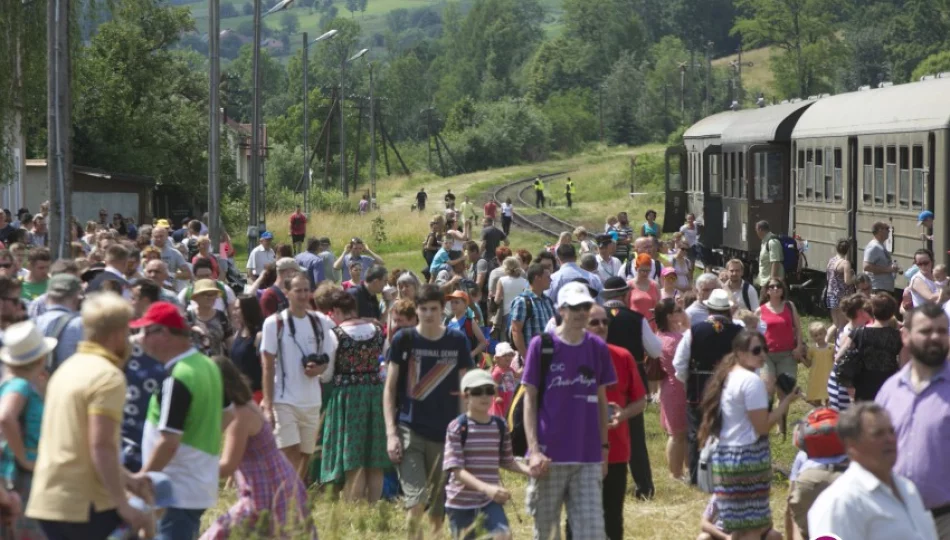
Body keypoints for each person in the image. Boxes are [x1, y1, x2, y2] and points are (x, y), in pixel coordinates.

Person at [25, 293, 152, 539]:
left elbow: (78, 441)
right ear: (116, 335)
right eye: (127, 332)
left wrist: (128, 479)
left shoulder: (66, 369)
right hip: (85, 505)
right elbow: (100, 446)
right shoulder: (108, 377)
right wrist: (123, 504)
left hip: (47, 499)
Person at [520, 282, 614, 540]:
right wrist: (535, 450)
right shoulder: (542, 346)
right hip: (549, 458)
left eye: (585, 306)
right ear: (561, 310)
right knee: (547, 533)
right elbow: (529, 400)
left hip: (587, 457)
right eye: (575, 307)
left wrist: (604, 449)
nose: (582, 313)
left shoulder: (597, 348)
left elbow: (602, 400)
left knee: (592, 533)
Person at [383, 285, 473, 540]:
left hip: (446, 433)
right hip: (409, 430)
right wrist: (391, 433)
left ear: (441, 309)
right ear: (417, 310)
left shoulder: (457, 341)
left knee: (437, 505)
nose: (429, 314)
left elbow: (465, 389)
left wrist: (464, 431)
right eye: (424, 309)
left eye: (434, 309)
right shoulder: (405, 339)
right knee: (415, 500)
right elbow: (389, 389)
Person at [132, 301, 226, 540]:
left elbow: (169, 442)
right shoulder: (207, 365)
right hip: (198, 483)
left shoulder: (177, 376)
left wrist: (141, 480)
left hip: (176, 489)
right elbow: (229, 414)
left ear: (163, 333)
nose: (139, 338)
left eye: (145, 331)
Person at [698, 330, 800, 539]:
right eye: (756, 350)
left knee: (739, 526)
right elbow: (762, 427)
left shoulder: (729, 377)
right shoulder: (751, 381)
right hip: (749, 457)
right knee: (753, 529)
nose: (763, 354)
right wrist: (785, 403)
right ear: (739, 353)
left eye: (765, 349)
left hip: (728, 456)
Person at [201, 356, 314, 539]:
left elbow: (228, 465)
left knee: (216, 534)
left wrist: (188, 471)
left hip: (265, 492)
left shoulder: (239, 415)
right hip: (278, 483)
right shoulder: (246, 404)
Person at [808, 402, 939, 540]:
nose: (890, 439)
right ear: (852, 445)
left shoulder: (908, 489)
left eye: (891, 431)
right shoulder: (841, 502)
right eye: (878, 434)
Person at [877, 303, 950, 537]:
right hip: (895, 518)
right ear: (906, 336)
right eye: (926, 331)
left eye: (942, 330)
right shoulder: (890, 390)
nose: (935, 337)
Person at [577, 303, 647, 540]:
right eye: (594, 322)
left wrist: (623, 415)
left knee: (613, 517)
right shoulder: (570, 358)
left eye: (605, 322)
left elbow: (641, 401)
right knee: (580, 518)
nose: (601, 326)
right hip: (579, 451)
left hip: (616, 449)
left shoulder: (622, 356)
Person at [260, 273, 338, 478]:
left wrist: (317, 370)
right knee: (289, 450)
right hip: (284, 399)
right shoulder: (274, 323)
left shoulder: (320, 321)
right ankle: (286, 497)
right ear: (287, 294)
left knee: (306, 455)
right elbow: (267, 365)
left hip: (312, 400)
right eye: (298, 290)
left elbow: (327, 359)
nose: (303, 295)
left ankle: (295, 496)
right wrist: (268, 406)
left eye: (306, 290)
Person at [442, 369, 532, 540]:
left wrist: (530, 470)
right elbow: (457, 471)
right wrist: (487, 488)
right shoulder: (457, 427)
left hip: (489, 501)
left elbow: (508, 461)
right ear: (465, 396)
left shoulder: (500, 425)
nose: (484, 396)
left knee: (503, 535)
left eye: (489, 390)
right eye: (477, 391)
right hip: (461, 503)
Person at [319, 289, 388, 501]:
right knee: (374, 457)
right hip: (375, 394)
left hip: (348, 398)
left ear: (338, 310)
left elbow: (327, 374)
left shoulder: (335, 334)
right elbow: (385, 362)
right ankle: (373, 507)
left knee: (353, 457)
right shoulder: (377, 331)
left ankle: (353, 513)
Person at [600, 276, 662, 500]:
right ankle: (644, 486)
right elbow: (656, 351)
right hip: (630, 382)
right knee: (635, 436)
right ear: (626, 296)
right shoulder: (636, 319)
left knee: (598, 432)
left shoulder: (592, 318)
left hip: (600, 383)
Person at [673, 289, 742, 484]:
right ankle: (726, 476)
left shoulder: (694, 331)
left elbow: (679, 363)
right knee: (727, 431)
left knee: (696, 432)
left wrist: (689, 380)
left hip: (698, 387)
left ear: (709, 308)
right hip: (729, 387)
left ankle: (696, 477)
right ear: (728, 310)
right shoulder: (739, 331)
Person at [0, 321, 54, 539]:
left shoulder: (13, 383)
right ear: (41, 359)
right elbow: (5, 417)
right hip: (20, 476)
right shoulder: (20, 385)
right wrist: (24, 459)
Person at [837, 292, 903, 402]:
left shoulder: (859, 333)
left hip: (863, 385)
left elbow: (839, 356)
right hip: (888, 385)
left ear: (872, 310)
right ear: (892, 312)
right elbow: (903, 366)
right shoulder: (898, 336)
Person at [655, 298, 688, 479]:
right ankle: (675, 474)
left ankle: (679, 471)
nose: (681, 312)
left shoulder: (662, 335)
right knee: (677, 434)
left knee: (678, 432)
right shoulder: (675, 340)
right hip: (677, 387)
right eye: (677, 310)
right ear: (669, 316)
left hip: (670, 385)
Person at [509, 263, 555, 360]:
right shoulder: (522, 301)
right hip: (533, 356)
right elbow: (516, 331)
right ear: (537, 278)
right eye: (547, 277)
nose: (551, 280)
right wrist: (527, 357)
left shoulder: (548, 301)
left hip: (549, 356)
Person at [186, 279, 234, 358]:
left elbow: (230, 343)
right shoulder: (188, 317)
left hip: (217, 366)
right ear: (196, 297)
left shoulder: (221, 316)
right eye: (205, 294)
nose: (210, 297)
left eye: (213, 294)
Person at [823, 239, 857, 330]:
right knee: (843, 324)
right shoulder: (845, 263)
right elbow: (847, 281)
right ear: (847, 250)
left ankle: (832, 341)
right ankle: (838, 342)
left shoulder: (831, 261)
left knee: (836, 324)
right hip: (842, 296)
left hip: (831, 295)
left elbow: (828, 277)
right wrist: (855, 278)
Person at [863, 221, 899, 294]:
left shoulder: (880, 245)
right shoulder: (873, 246)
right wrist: (888, 269)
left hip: (883, 288)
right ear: (880, 230)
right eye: (887, 228)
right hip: (877, 289)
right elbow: (866, 266)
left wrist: (892, 268)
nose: (889, 231)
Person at [804, 321, 834, 405]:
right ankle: (819, 413)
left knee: (829, 397)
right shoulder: (812, 349)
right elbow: (808, 364)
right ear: (812, 337)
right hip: (816, 376)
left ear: (825, 333)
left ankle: (828, 414)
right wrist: (800, 358)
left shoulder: (832, 347)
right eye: (815, 335)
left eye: (821, 334)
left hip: (829, 376)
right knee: (816, 398)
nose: (819, 337)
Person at [626, 253, 660, 328]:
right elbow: (625, 307)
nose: (645, 273)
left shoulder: (655, 285)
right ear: (636, 268)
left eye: (648, 271)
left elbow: (660, 307)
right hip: (634, 325)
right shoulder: (629, 285)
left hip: (652, 325)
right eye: (642, 270)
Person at [755, 220, 784, 286]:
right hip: (764, 281)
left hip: (770, 283)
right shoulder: (764, 242)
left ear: (760, 229)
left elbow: (775, 262)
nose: (756, 233)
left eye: (756, 230)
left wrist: (772, 281)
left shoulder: (772, 242)